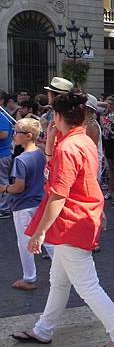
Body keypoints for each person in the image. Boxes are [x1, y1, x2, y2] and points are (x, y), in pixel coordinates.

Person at [11, 91, 114, 347]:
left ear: (56, 116)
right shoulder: (82, 139)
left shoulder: (69, 146)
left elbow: (58, 194)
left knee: (87, 285)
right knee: (59, 281)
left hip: (71, 221)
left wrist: (39, 232)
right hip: (81, 217)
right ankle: (43, 329)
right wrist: (52, 141)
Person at [0, 118, 54, 290]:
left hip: (23, 205)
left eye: (17, 133)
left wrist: (4, 189)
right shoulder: (40, 152)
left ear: (28, 136)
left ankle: (29, 278)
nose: (14, 136)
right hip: (40, 201)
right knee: (47, 239)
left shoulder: (21, 160)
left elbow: (18, 187)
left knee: (25, 243)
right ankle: (64, 272)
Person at [0, 102, 14, 219]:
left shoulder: (2, 116)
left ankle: (4, 209)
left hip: (2, 155)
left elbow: (4, 134)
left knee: (3, 180)